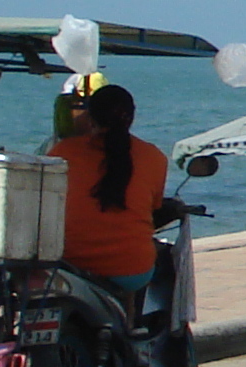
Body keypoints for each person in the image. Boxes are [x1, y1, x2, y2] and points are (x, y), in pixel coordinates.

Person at [45, 81, 168, 310]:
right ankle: (130, 327)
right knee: (147, 262)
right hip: (130, 271)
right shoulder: (154, 157)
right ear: (131, 118)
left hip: (70, 263)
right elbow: (154, 206)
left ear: (89, 116)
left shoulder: (62, 152)